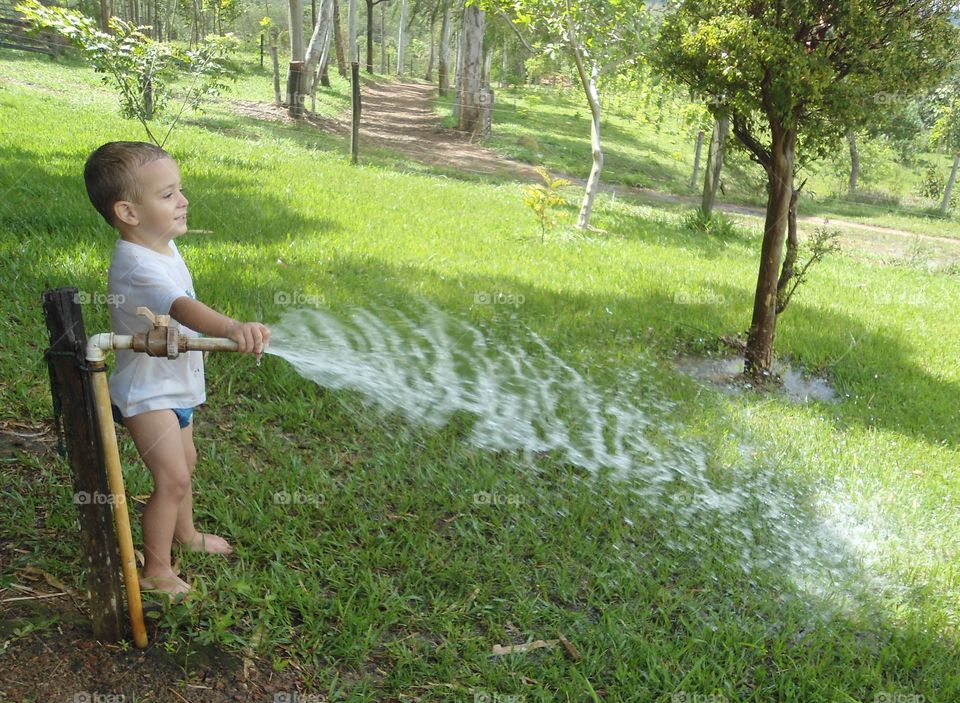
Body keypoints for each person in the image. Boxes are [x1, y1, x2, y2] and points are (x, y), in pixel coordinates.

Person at [83, 141, 270, 597]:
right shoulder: (135, 266)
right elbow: (183, 307)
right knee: (172, 478)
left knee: (187, 464)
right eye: (167, 195)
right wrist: (232, 328)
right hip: (148, 395)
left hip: (174, 387)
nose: (183, 200)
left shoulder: (159, 246)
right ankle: (157, 569)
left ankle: (185, 535)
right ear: (128, 211)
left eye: (179, 190)